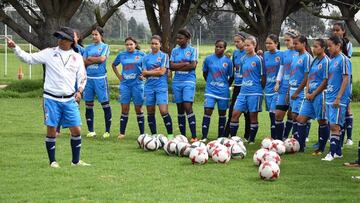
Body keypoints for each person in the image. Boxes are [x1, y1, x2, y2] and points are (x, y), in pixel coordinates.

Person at [7, 27, 89, 168]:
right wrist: (15, 48)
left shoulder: (77, 57)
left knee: (76, 130)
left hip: (70, 100)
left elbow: (82, 77)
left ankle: (76, 162)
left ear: (69, 41)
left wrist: (80, 91)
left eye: (62, 38)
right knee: (51, 131)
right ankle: (52, 161)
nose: (59, 40)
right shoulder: (49, 53)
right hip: (51, 99)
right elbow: (29, 58)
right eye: (58, 37)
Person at [229, 36, 265, 144]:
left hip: (255, 92)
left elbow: (263, 76)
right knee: (235, 114)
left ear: (254, 45)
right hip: (243, 92)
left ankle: (251, 140)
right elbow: (242, 75)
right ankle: (233, 140)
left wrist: (259, 89)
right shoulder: (243, 59)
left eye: (248, 45)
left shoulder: (259, 59)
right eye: (245, 45)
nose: (246, 47)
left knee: (252, 116)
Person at [296, 39, 330, 154]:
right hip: (309, 95)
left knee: (322, 121)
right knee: (300, 119)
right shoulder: (314, 60)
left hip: (320, 95)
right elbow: (309, 77)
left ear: (323, 48)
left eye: (316, 46)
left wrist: (314, 93)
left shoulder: (326, 61)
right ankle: (300, 147)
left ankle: (321, 148)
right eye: (313, 46)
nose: (314, 49)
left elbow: (325, 81)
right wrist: (307, 92)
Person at [322, 36, 350, 161]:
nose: (328, 48)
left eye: (330, 46)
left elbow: (346, 79)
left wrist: (338, 97)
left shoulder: (344, 59)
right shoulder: (332, 60)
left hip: (338, 99)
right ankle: (338, 152)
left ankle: (331, 154)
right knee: (331, 124)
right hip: (330, 97)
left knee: (335, 126)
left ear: (338, 46)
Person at [112, 37, 146, 139]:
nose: (129, 46)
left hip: (137, 85)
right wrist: (119, 76)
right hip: (125, 85)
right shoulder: (122, 55)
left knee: (138, 109)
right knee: (124, 109)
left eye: (131, 44)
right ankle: (122, 133)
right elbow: (114, 65)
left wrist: (144, 76)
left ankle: (142, 134)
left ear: (135, 44)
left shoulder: (141, 55)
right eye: (127, 45)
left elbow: (147, 67)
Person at [201, 40, 233, 142]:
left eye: (220, 47)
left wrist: (226, 85)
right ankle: (204, 136)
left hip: (223, 92)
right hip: (210, 90)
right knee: (207, 111)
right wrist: (210, 82)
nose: (218, 48)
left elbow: (231, 76)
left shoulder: (228, 61)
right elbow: (205, 73)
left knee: (222, 114)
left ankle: (220, 137)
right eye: (216, 46)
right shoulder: (208, 59)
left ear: (224, 49)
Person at [142, 35, 173, 139]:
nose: (154, 45)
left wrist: (149, 72)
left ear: (160, 45)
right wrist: (156, 70)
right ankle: (154, 136)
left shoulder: (164, 56)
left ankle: (170, 136)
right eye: (152, 43)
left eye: (156, 43)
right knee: (150, 112)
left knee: (163, 111)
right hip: (149, 87)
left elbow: (162, 72)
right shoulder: (146, 58)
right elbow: (144, 73)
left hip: (161, 87)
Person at [83, 26, 112, 139]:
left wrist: (90, 59)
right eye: (93, 35)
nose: (94, 36)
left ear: (101, 35)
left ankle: (107, 131)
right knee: (88, 105)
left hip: (100, 79)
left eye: (96, 34)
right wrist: (91, 60)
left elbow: (102, 59)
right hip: (88, 79)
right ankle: (91, 131)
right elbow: (83, 62)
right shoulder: (88, 48)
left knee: (105, 104)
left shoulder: (105, 46)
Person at [170, 29, 198, 142]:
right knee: (180, 108)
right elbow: (171, 66)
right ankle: (182, 137)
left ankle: (194, 136)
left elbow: (193, 66)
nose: (178, 40)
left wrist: (178, 65)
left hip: (189, 81)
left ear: (187, 39)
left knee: (187, 106)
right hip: (177, 81)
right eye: (177, 38)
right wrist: (185, 63)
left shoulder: (192, 50)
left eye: (180, 38)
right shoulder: (174, 51)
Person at [223, 33, 251, 139]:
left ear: (244, 42)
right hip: (238, 86)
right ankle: (226, 135)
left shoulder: (249, 53)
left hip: (247, 87)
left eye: (238, 41)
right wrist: (229, 83)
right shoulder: (235, 53)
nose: (236, 44)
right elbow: (235, 70)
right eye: (234, 41)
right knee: (232, 111)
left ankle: (247, 136)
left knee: (247, 113)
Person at [288, 35, 313, 150]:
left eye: (296, 43)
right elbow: (292, 74)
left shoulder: (307, 57)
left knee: (298, 116)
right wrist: (289, 90)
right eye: (294, 43)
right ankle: (296, 140)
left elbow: (307, 77)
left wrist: (297, 92)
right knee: (294, 116)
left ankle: (301, 143)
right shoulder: (295, 56)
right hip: (292, 89)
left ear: (303, 44)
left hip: (301, 91)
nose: (294, 45)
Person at [273, 30, 299, 141]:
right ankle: (279, 140)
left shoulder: (300, 54)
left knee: (293, 115)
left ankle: (286, 137)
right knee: (278, 114)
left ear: (295, 40)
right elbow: (281, 69)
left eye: (288, 40)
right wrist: (278, 82)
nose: (286, 42)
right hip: (283, 87)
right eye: (285, 40)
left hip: (295, 88)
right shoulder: (284, 54)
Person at [332, 22, 353, 146]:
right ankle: (337, 136)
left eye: (338, 30)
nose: (335, 32)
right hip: (334, 80)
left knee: (347, 108)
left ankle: (349, 138)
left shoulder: (347, 44)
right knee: (336, 110)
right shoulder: (331, 44)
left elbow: (346, 58)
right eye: (334, 30)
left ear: (343, 31)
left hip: (345, 77)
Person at [263, 34, 282, 139]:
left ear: (276, 44)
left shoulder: (282, 55)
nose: (268, 45)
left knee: (274, 113)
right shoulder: (265, 55)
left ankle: (276, 137)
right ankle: (275, 137)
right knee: (271, 115)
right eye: (266, 43)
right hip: (268, 88)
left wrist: (279, 83)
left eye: (270, 43)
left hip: (277, 89)